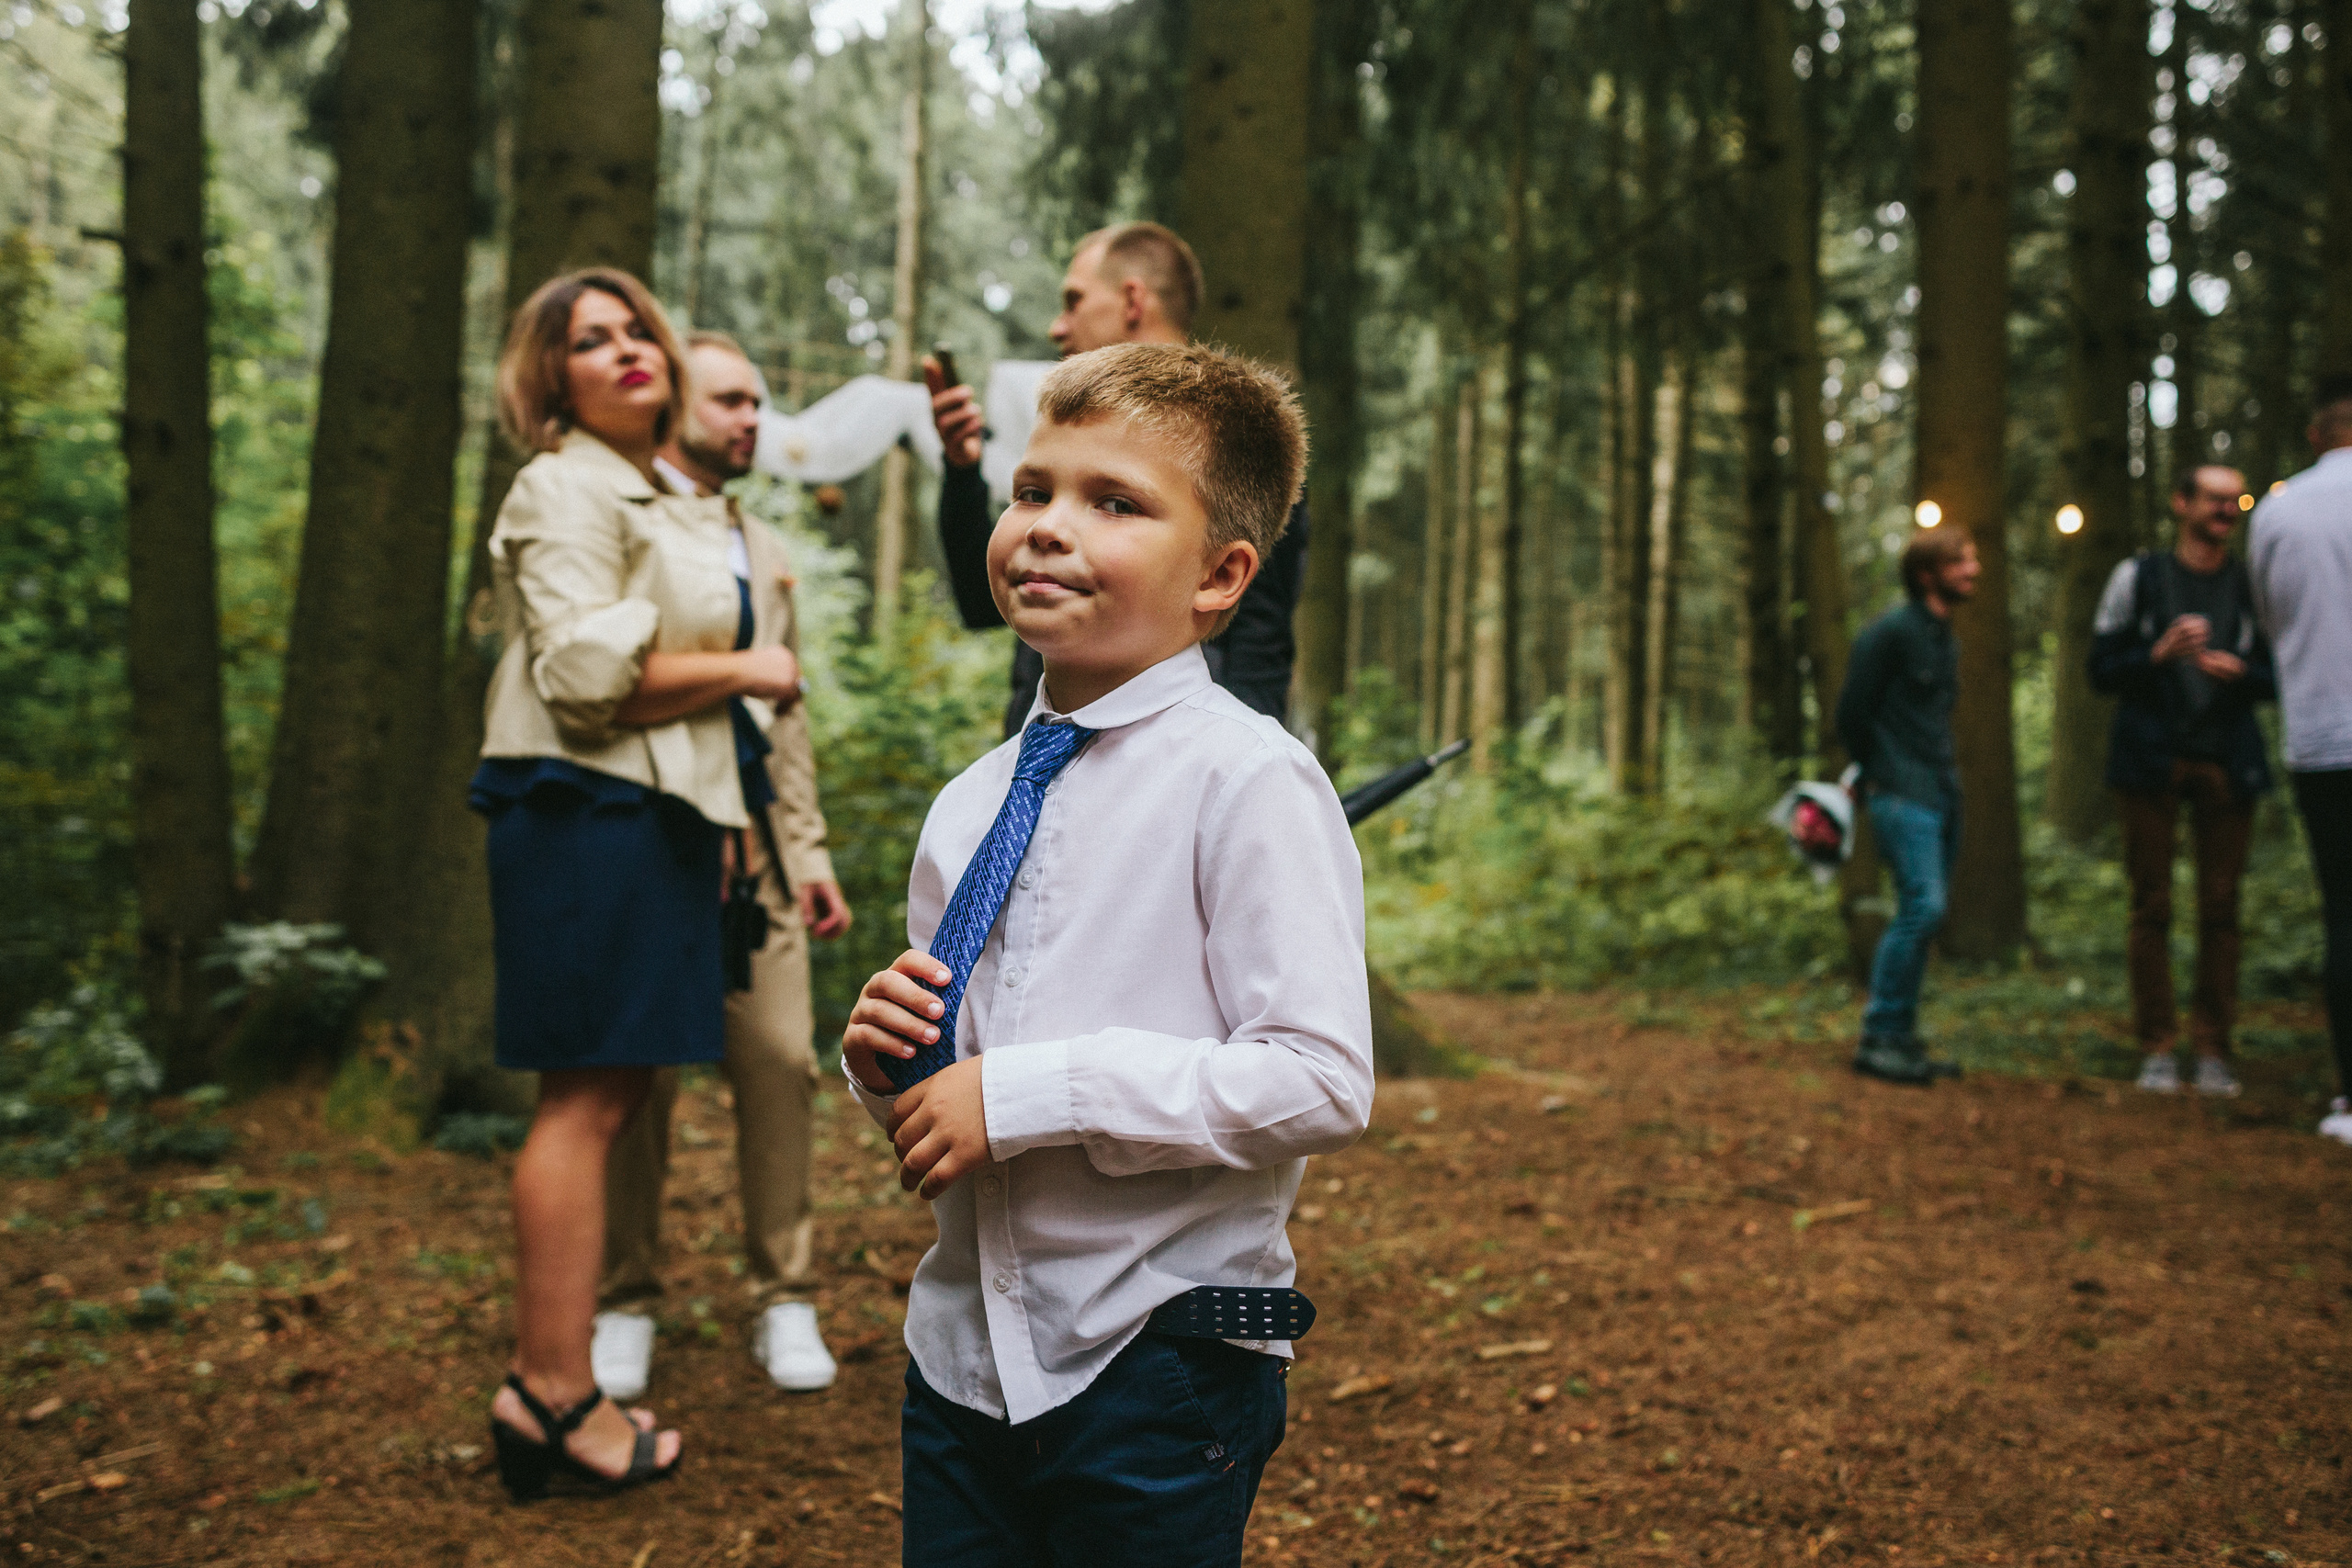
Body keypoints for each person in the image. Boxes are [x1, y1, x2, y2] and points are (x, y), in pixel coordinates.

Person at [842, 344, 1373, 1562]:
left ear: (1220, 575)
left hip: (1157, 1363)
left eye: (1114, 502)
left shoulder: (1249, 780)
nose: (1047, 525)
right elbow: (953, 1101)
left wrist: (1033, 1093)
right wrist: (887, 1067)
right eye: (1033, 490)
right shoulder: (969, 805)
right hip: (962, 1361)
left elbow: (1319, 1078)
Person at [471, 269, 802, 1499]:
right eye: (588, 341)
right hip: (582, 812)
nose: (625, 353)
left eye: (636, 333)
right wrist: (749, 666)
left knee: (603, 1098)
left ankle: (556, 1385)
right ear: (549, 379)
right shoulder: (563, 484)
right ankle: (550, 1391)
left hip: (644, 815)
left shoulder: (645, 491)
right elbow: (581, 679)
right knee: (583, 1104)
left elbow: (647, 671)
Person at [589, 332, 855, 1403]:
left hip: (756, 859)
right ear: (672, 403)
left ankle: (784, 1293)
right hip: (647, 847)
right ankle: (623, 1299)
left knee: (782, 1062)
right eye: (730, 400)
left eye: (757, 402)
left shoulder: (763, 544)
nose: (752, 419)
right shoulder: (616, 522)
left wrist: (808, 848)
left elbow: (785, 716)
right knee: (635, 1080)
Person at [925, 221, 1309, 737]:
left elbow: (1259, 644)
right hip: (1038, 749)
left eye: (1074, 301)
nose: (1057, 327)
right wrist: (962, 471)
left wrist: (1230, 757)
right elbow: (981, 602)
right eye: (1034, 495)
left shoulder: (1235, 443)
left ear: (1132, 300)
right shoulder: (1067, 433)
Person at [2089, 464, 2277, 1098]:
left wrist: (2242, 673)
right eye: (2215, 499)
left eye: (2236, 501)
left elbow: (2279, 672)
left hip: (2228, 761)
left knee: (2222, 908)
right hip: (2150, 762)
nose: (2227, 510)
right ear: (2181, 503)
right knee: (2152, 904)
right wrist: (2157, 655)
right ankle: (2158, 1046)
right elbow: (2099, 669)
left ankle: (2214, 1047)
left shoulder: (2252, 582)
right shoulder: (2138, 577)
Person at [1834, 526, 1982, 1087]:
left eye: (1972, 559)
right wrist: (1873, 770)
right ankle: (1877, 1037)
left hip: (1942, 789)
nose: (1973, 569)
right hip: (1899, 790)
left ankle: (1900, 1038)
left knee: (1924, 913)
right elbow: (1852, 712)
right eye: (1960, 561)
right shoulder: (1889, 633)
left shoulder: (1945, 637)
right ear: (1926, 576)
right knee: (1923, 906)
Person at [2248, 372, 2352, 1145]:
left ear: (2317, 433)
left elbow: (2270, 620)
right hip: (2324, 735)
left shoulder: (2281, 512)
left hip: (2323, 737)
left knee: (2344, 912)